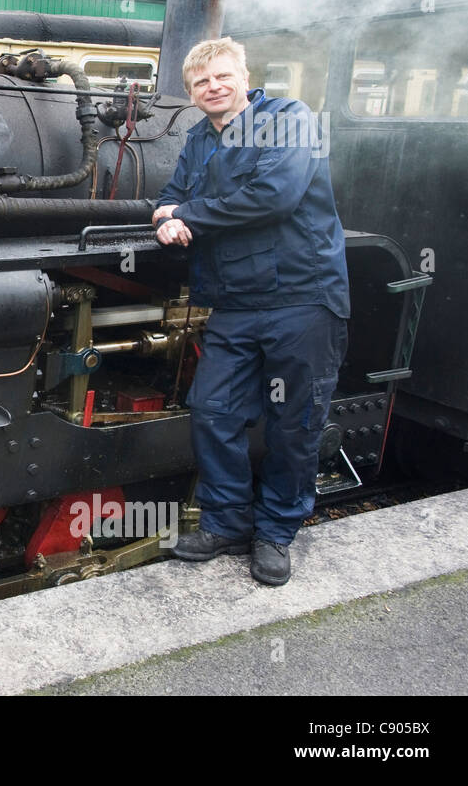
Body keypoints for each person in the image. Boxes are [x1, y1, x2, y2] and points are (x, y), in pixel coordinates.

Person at [152, 37, 349, 586]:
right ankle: (227, 523)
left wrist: (185, 212)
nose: (212, 87)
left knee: (294, 423)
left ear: (243, 75)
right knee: (212, 410)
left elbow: (275, 196)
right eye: (200, 83)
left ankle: (277, 532)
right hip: (233, 302)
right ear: (191, 94)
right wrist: (163, 218)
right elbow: (169, 197)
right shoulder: (197, 139)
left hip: (301, 298)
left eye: (221, 76)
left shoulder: (288, 119)